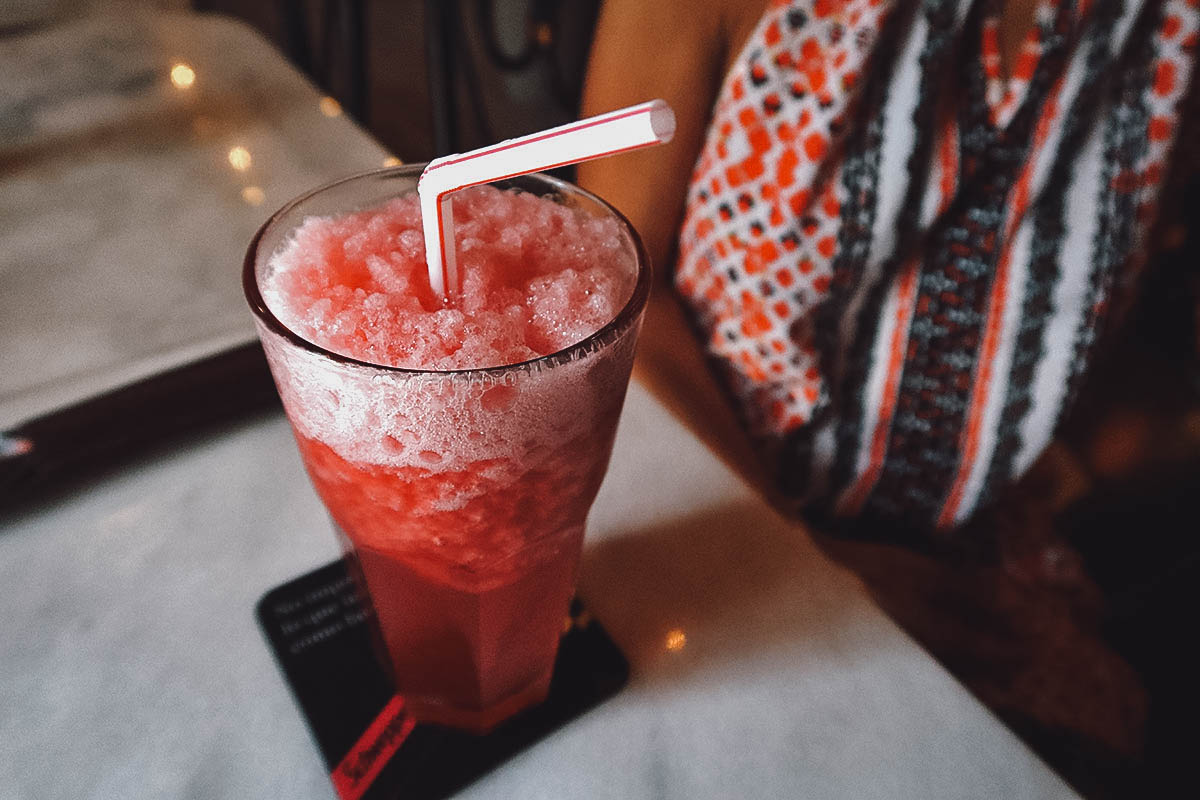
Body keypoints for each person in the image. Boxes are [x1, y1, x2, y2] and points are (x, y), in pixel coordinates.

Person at [578, 0, 1198, 535]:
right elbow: (614, 303)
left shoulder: (1167, 38)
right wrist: (832, 563)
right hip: (708, 518)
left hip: (977, 560)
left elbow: (1081, 378)